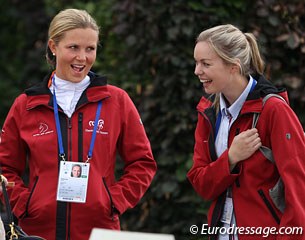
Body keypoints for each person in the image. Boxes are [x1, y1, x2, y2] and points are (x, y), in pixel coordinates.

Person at [0, 8, 157, 240]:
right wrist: (25, 204)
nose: (82, 57)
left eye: (90, 49)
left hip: (99, 231)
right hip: (38, 232)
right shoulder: (26, 105)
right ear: (53, 47)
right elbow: (4, 168)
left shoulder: (117, 101)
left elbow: (142, 163)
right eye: (73, 47)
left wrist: (113, 202)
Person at [187, 24, 305, 240]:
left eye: (206, 64)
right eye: (196, 63)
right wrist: (230, 158)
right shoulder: (207, 112)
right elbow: (202, 185)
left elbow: (299, 190)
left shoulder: (274, 110)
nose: (197, 71)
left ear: (233, 66)